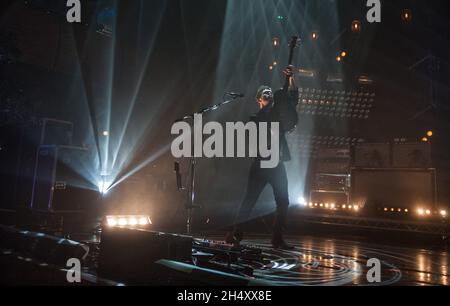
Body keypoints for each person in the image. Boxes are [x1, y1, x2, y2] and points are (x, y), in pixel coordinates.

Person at [226, 65, 298, 249]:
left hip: (277, 164)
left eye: (269, 92)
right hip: (260, 164)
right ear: (259, 99)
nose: (268, 93)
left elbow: (292, 99)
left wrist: (291, 78)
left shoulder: (278, 112)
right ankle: (235, 234)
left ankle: (277, 238)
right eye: (264, 92)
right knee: (249, 200)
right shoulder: (255, 118)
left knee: (283, 201)